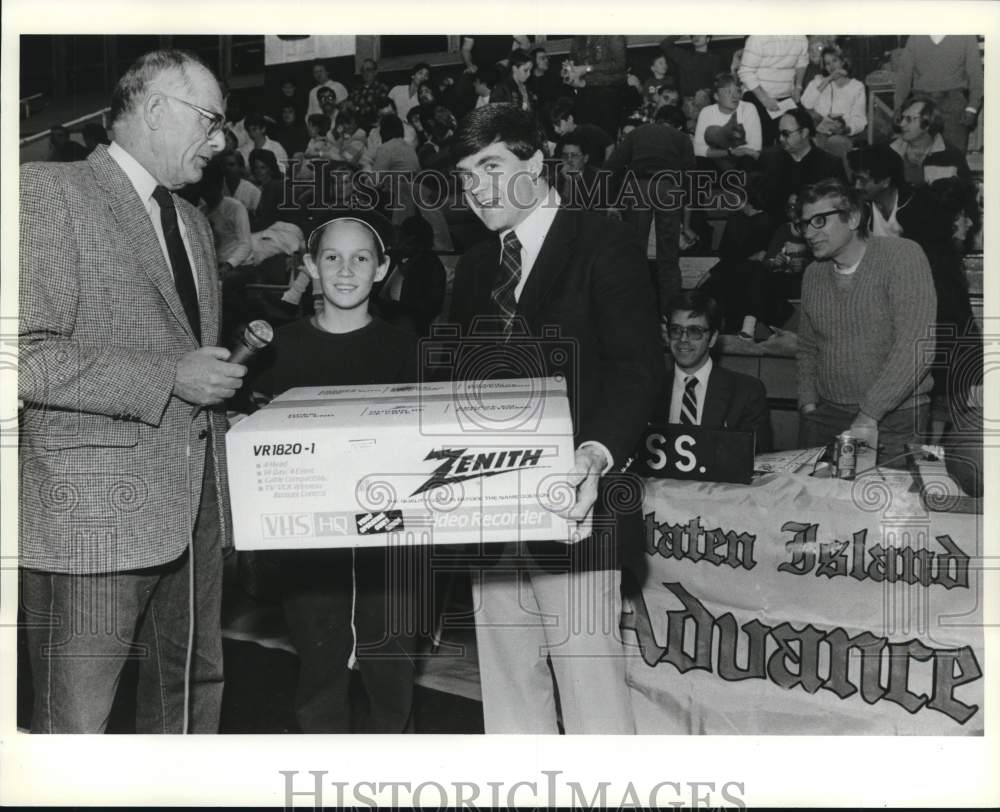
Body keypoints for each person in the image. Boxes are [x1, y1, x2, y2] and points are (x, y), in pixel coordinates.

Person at [19, 48, 243, 733]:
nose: (222, 140)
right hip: (92, 516)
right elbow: (23, 358)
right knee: (77, 726)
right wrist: (170, 377)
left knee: (191, 695)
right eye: (210, 120)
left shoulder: (194, 222)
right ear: (156, 109)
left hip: (196, 504)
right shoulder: (47, 191)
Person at [449, 104, 664, 734]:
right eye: (466, 175)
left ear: (536, 162)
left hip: (578, 505)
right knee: (509, 692)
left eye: (491, 166)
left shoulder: (604, 242)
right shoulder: (475, 267)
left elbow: (637, 369)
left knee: (592, 694)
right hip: (489, 508)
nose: (477, 187)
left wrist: (596, 454)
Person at [249, 215, 422, 733]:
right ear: (310, 266)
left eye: (361, 258)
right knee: (318, 665)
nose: (346, 271)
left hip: (389, 537)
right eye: (332, 258)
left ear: (382, 269)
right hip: (307, 539)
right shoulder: (278, 350)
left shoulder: (406, 350)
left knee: (390, 667)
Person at [795, 179, 936, 466]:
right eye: (804, 223)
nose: (809, 233)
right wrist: (808, 404)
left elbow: (916, 347)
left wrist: (869, 414)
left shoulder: (902, 256)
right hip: (826, 416)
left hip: (895, 419)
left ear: (853, 218)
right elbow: (808, 348)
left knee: (887, 495)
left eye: (819, 220)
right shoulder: (813, 274)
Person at [605, 103, 696, 316]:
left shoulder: (638, 132)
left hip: (639, 187)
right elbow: (691, 183)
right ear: (679, 126)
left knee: (634, 255)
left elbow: (610, 168)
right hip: (669, 188)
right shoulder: (682, 138)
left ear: (656, 120)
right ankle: (670, 318)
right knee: (668, 260)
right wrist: (687, 226)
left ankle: (632, 314)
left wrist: (612, 203)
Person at [658, 291, 771, 451]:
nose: (683, 339)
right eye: (676, 330)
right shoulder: (649, 389)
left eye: (694, 331)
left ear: (712, 338)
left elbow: (757, 458)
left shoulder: (746, 393)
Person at [893, 35, 983, 152]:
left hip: (953, 104)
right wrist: (898, 107)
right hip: (921, 105)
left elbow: (976, 75)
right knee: (919, 155)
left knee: (954, 154)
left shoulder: (966, 36)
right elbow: (904, 75)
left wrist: (972, 108)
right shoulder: (916, 37)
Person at [762, 107, 847, 219]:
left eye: (786, 133)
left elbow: (842, 204)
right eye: (779, 133)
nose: (781, 138)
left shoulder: (830, 164)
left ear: (804, 133)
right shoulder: (770, 158)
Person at [374, 213, 446, 336]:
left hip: (407, 332)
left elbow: (426, 309)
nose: (397, 242)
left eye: (401, 238)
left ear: (412, 240)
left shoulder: (430, 266)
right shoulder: (394, 258)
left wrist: (389, 309)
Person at [737, 35, 809, 145]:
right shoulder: (757, 38)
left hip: (786, 96)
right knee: (764, 140)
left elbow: (802, 62)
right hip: (757, 94)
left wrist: (798, 86)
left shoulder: (801, 37)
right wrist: (765, 99)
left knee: (801, 134)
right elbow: (745, 72)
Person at [889, 95, 971, 188]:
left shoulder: (953, 157)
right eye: (901, 119)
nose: (902, 124)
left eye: (909, 119)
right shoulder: (886, 152)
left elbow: (966, 194)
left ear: (927, 123)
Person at [800, 46, 867, 158]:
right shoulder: (818, 81)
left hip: (844, 135)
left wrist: (846, 130)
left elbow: (860, 119)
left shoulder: (857, 86)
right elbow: (806, 103)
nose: (831, 66)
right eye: (827, 63)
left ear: (843, 62)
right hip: (819, 132)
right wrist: (827, 80)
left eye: (835, 60)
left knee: (834, 142)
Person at [693, 71, 762, 170]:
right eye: (728, 92)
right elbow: (698, 150)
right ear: (716, 96)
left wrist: (714, 152)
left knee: (748, 161)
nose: (734, 96)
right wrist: (730, 152)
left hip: (741, 163)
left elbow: (755, 148)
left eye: (737, 91)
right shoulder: (706, 112)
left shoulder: (748, 108)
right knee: (701, 162)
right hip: (715, 163)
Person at [200, 158, 252, 274]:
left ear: (219, 185)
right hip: (215, 266)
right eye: (203, 189)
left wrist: (229, 265)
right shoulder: (201, 211)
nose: (207, 193)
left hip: (238, 265)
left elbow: (246, 244)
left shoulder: (235, 207)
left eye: (210, 188)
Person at [550, 97, 613, 167]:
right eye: (554, 126)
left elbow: (610, 145)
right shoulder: (561, 141)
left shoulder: (589, 130)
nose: (556, 130)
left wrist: (605, 168)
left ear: (570, 119)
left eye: (558, 125)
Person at [348, 58, 390, 130]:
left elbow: (377, 109)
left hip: (374, 126)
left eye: (368, 70)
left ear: (375, 72)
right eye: (363, 70)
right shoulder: (356, 89)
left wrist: (356, 109)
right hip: (355, 126)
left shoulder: (382, 88)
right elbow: (347, 103)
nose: (365, 73)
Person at [221, 148, 261, 214]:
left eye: (231, 165)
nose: (227, 168)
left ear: (241, 167)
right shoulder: (217, 188)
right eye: (224, 165)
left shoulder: (253, 192)